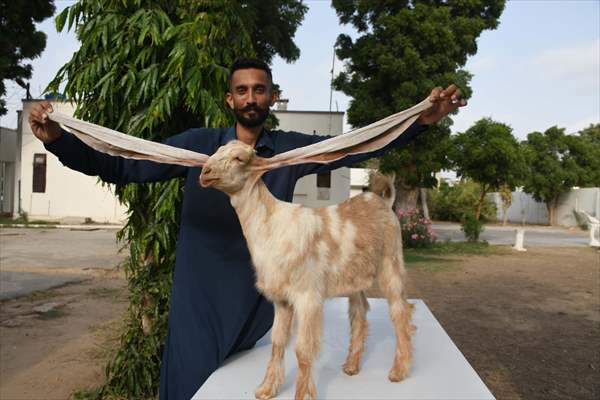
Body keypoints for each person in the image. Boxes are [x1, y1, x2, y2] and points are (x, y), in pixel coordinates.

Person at [29, 58, 465, 399]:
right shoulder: (200, 148)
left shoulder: (289, 151)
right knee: (190, 387)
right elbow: (123, 165)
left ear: (272, 97)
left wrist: (422, 121)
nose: (250, 97)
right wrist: (59, 141)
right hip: (200, 295)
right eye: (242, 90)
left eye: (259, 89)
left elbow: (354, 147)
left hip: (259, 301)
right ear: (229, 99)